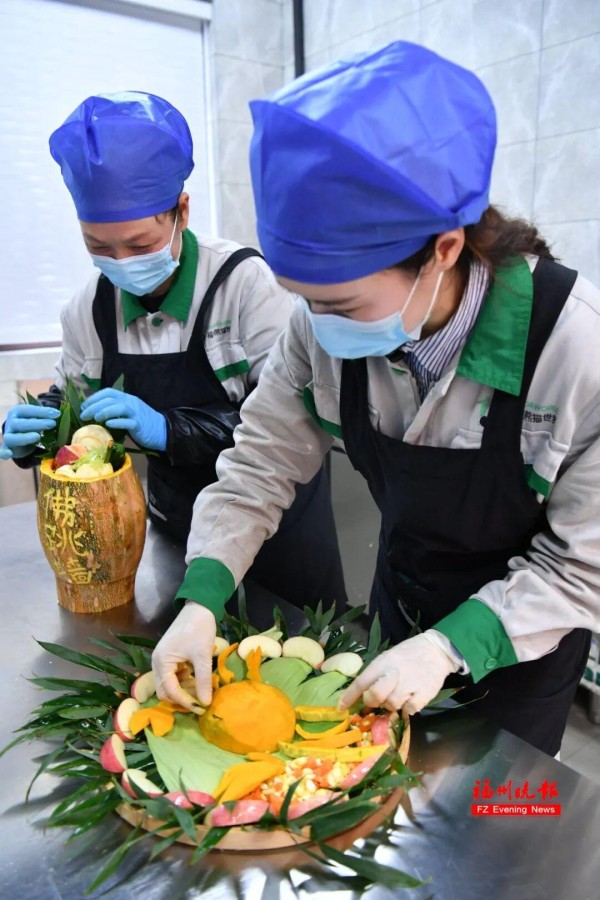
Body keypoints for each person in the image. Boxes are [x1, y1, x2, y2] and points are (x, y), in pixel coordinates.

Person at [151, 42, 599, 757]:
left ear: (443, 250)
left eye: (341, 305)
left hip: (521, 648)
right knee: (387, 799)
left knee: (497, 815)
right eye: (303, 299)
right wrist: (202, 595)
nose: (316, 324)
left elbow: (582, 564)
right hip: (401, 604)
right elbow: (261, 464)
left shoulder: (575, 351)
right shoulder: (319, 327)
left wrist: (448, 648)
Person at [0, 90, 346, 613]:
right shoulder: (87, 310)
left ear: (181, 212)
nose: (121, 261)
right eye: (99, 247)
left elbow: (288, 422)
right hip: (175, 535)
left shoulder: (246, 285)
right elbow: (73, 408)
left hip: (278, 536)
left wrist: (168, 429)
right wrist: (41, 429)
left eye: (139, 245)